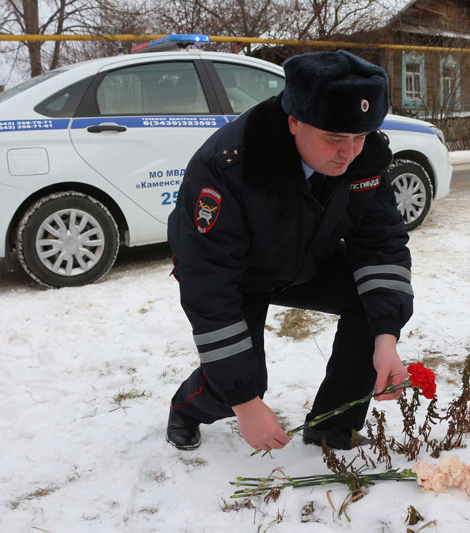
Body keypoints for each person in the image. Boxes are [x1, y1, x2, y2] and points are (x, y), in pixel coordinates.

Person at [166, 50, 414, 452]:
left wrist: (386, 337)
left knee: (371, 304)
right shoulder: (227, 166)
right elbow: (208, 285)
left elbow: (381, 245)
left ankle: (333, 425)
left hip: (305, 258)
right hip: (239, 275)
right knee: (241, 380)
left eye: (359, 136)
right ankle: (186, 408)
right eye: (335, 138)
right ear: (294, 121)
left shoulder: (363, 158)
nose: (349, 152)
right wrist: (246, 404)